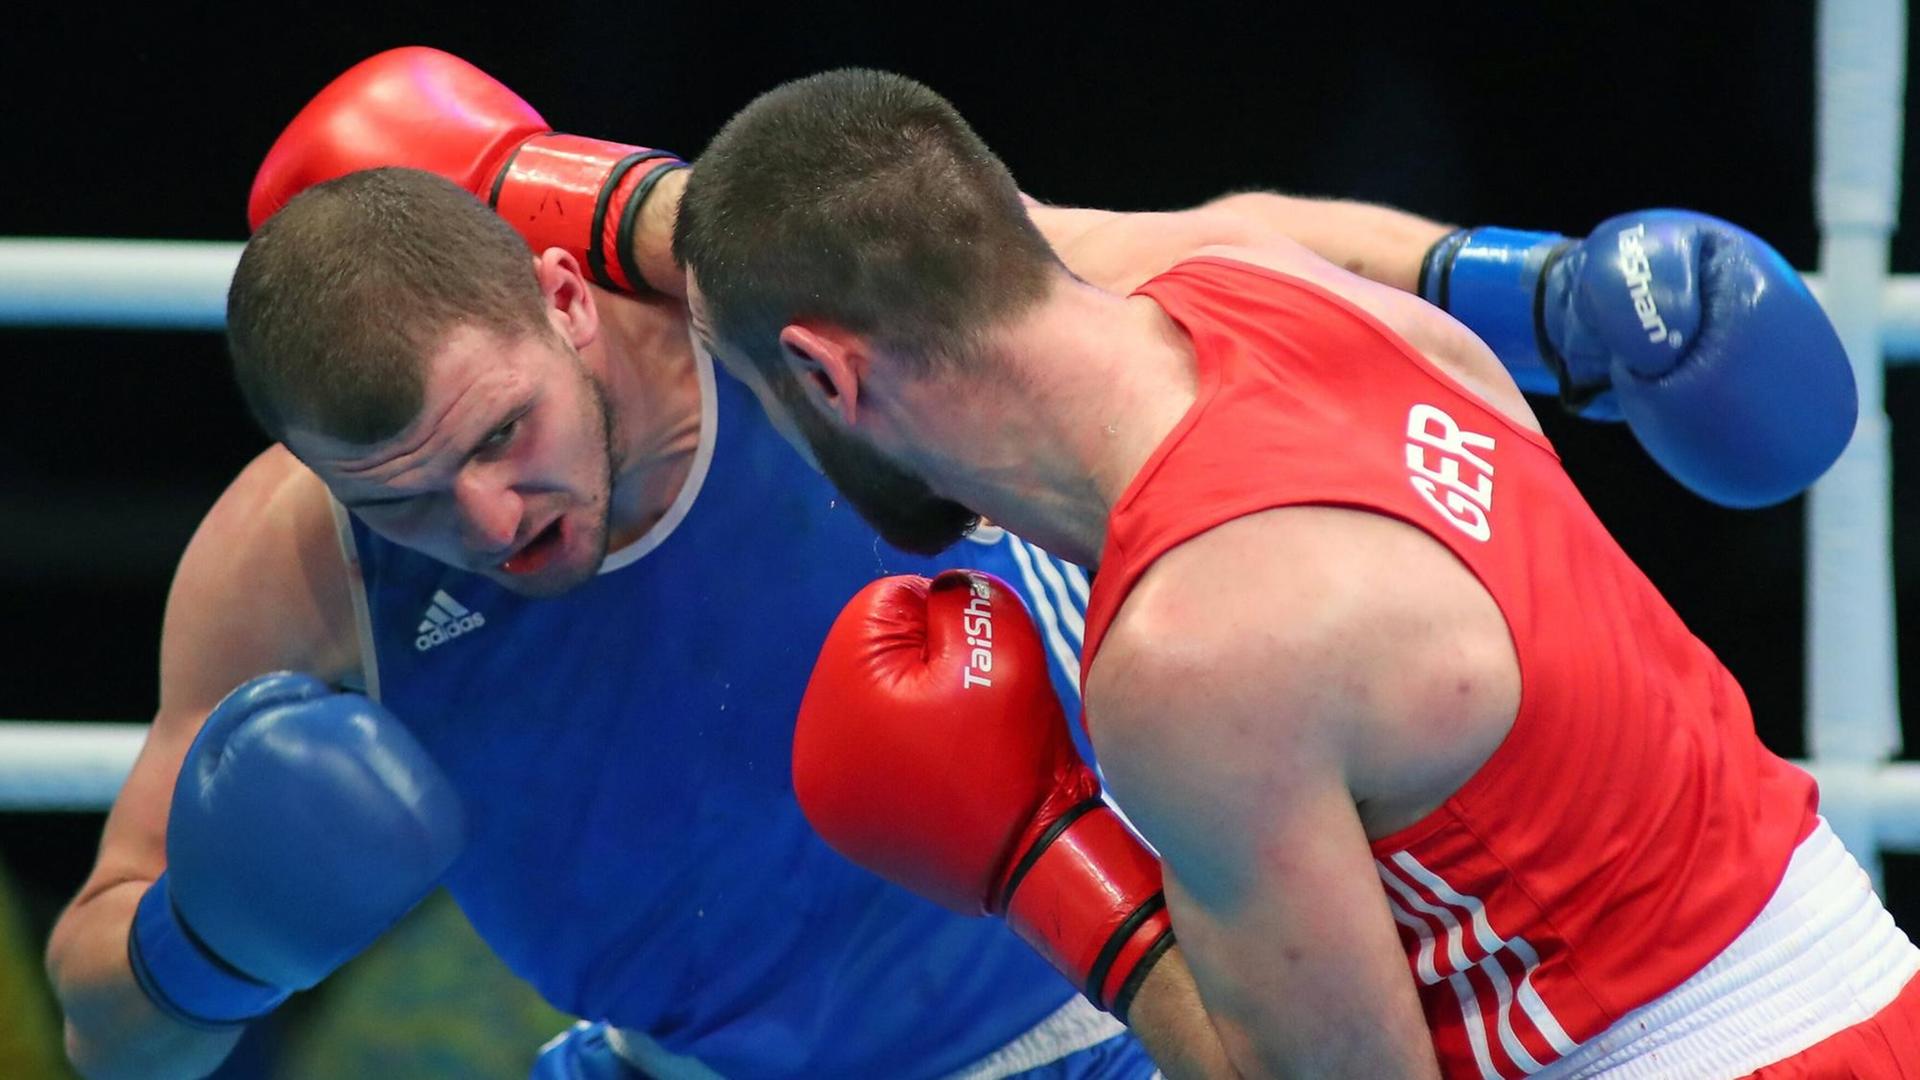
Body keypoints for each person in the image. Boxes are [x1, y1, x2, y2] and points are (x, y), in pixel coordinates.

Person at [43, 48, 1852, 1080]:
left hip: (1122, 1024)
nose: (492, 522)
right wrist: (214, 938)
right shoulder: (292, 567)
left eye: (504, 437)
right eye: (409, 496)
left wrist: (1534, 301)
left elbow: (1195, 254)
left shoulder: (779, 314)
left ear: (566, 298)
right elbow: (102, 1016)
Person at [673, 69, 1914, 1077]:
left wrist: (1042, 856)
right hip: (1871, 991)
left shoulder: (1196, 649)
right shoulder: (1275, 282)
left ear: (826, 376)